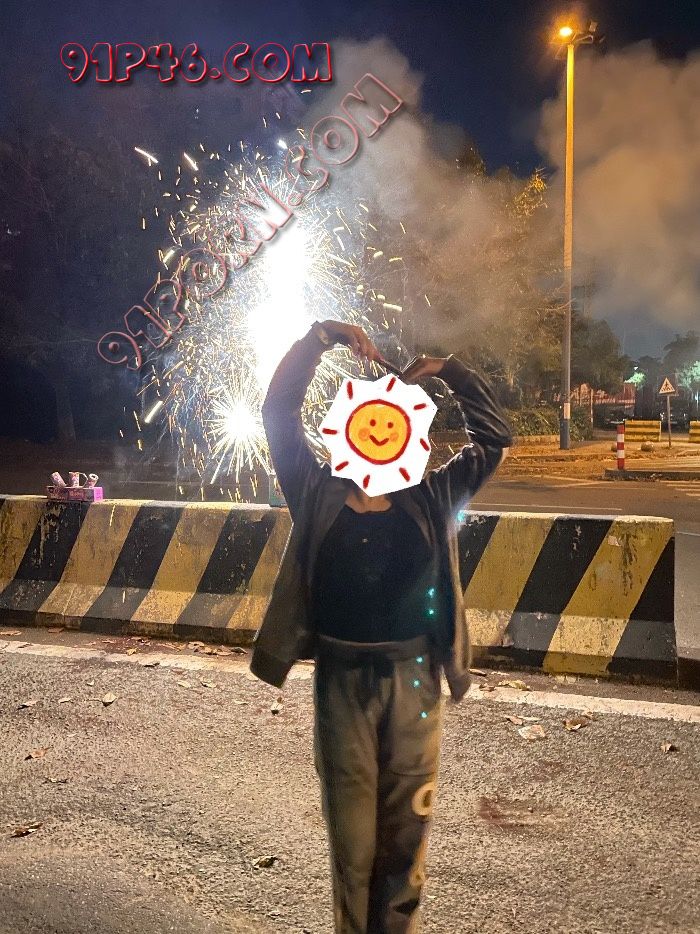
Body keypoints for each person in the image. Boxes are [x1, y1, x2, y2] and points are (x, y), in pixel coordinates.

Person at [249, 319, 512, 933]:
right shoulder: (316, 491)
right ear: (346, 428)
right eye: (369, 421)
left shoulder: (432, 497)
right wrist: (319, 338)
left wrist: (447, 369)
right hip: (342, 682)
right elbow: (277, 414)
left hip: (414, 682)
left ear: (410, 432)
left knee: (404, 848)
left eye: (391, 423)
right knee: (355, 849)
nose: (379, 431)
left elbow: (494, 439)